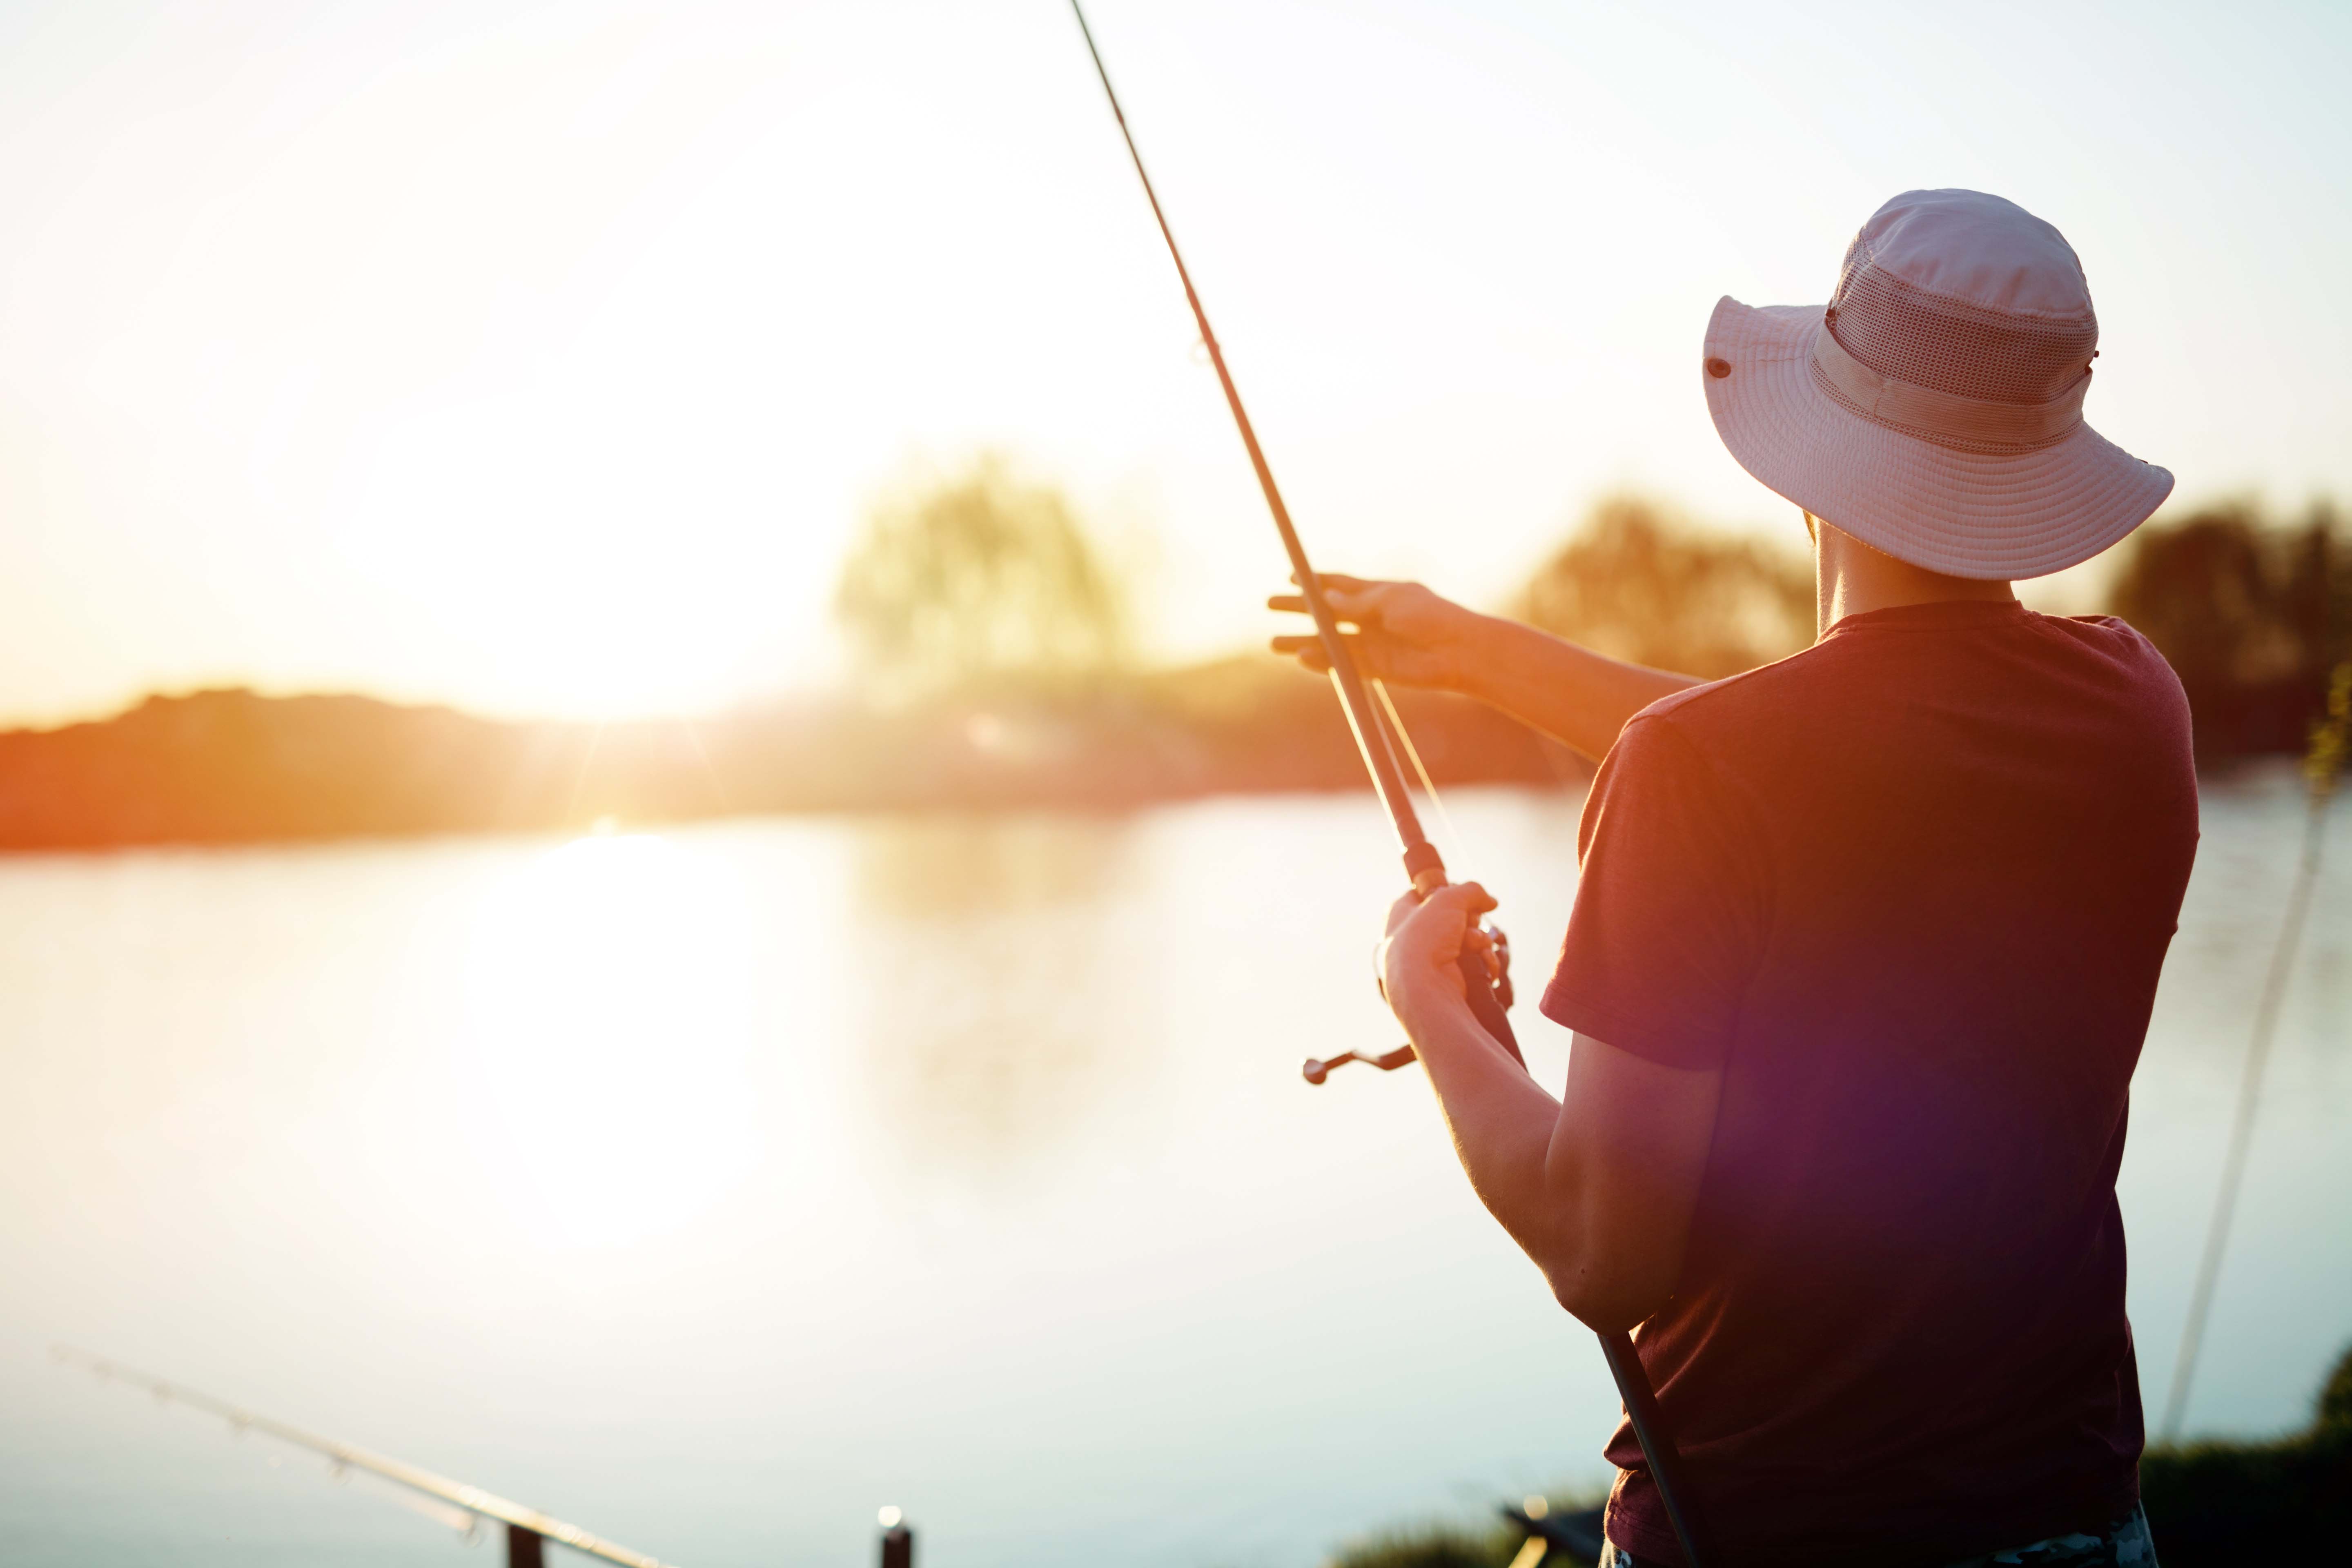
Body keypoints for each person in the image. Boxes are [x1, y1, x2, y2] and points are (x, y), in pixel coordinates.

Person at [1272, 190, 2195, 1566]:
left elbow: (1602, 1251)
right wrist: (1474, 652)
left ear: (1807, 451)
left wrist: (1435, 1017)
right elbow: (1837, 754)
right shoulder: (2134, 702)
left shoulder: (1702, 772)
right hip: (2075, 1522)